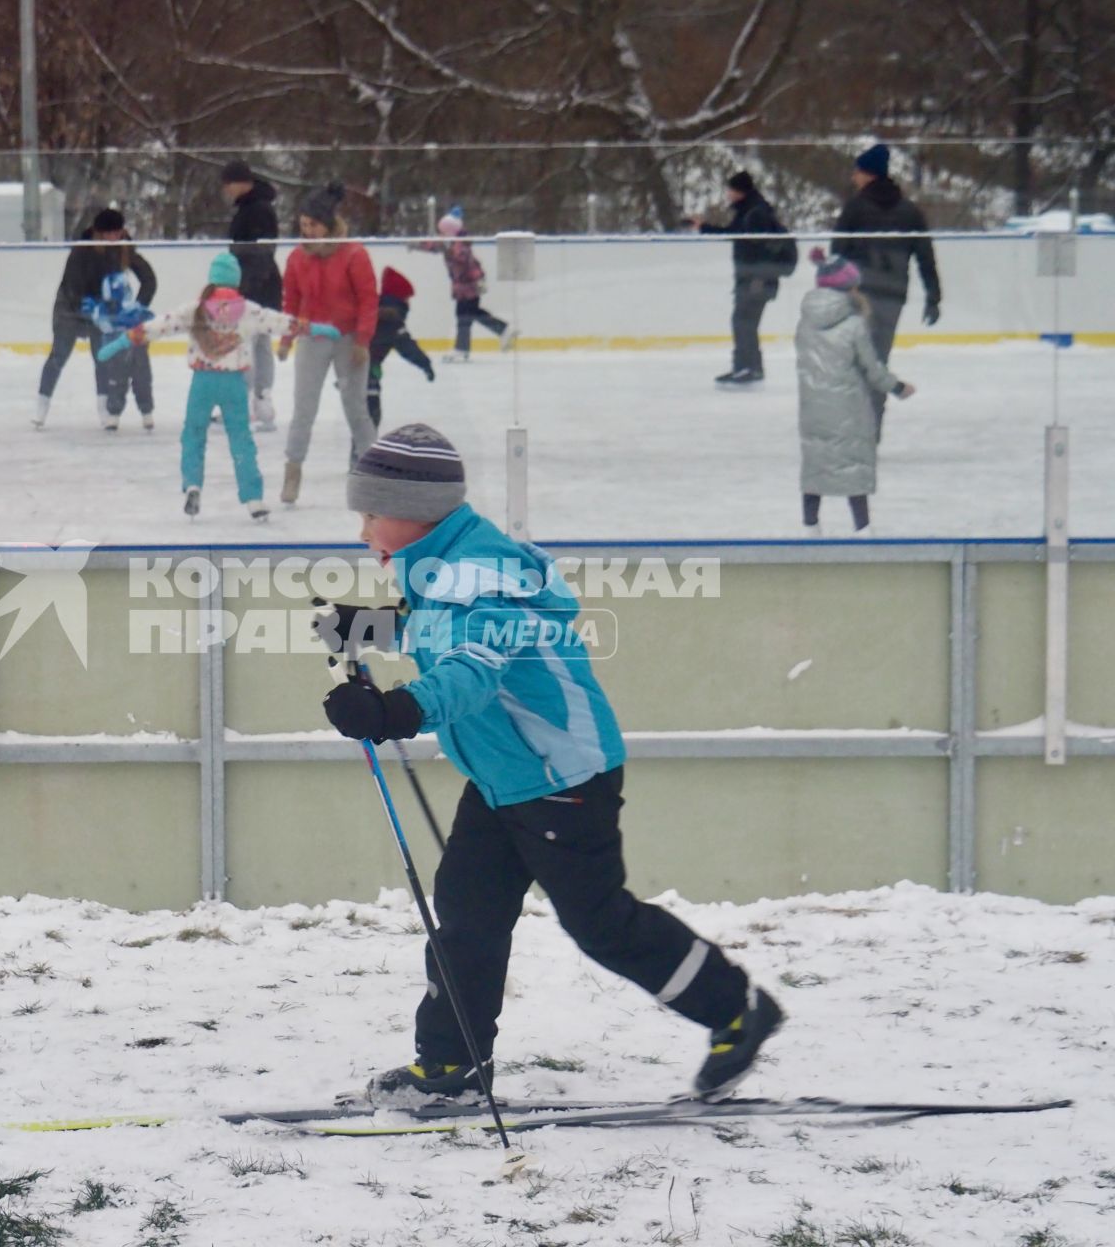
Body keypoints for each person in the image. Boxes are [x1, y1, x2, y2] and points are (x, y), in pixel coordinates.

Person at [317, 423, 784, 1102]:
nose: (361, 531)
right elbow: (445, 628)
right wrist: (373, 627)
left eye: (370, 513)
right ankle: (452, 1067)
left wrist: (395, 713)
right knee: (467, 915)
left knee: (601, 925)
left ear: (413, 512)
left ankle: (737, 1011)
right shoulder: (446, 562)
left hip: (559, 777)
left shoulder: (477, 575)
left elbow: (472, 667)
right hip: (504, 777)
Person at [103, 253, 336, 521]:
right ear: (236, 281)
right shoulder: (249, 309)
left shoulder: (194, 309)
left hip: (202, 382)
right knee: (241, 441)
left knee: (193, 435)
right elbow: (283, 322)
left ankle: (192, 484)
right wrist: (319, 328)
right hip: (234, 384)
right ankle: (254, 499)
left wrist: (121, 342)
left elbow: (158, 326)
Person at [796, 250, 916, 535]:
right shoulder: (854, 324)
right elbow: (872, 370)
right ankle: (862, 528)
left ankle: (810, 526)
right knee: (852, 466)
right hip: (848, 407)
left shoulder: (805, 323)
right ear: (849, 288)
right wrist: (898, 387)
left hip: (813, 407)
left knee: (816, 463)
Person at [278, 182, 379, 505]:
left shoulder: (353, 254)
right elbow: (290, 300)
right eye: (303, 224)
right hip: (312, 339)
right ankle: (292, 471)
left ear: (329, 224)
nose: (307, 230)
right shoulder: (296, 257)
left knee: (355, 408)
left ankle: (376, 475)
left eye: (313, 224)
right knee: (303, 409)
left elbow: (367, 300)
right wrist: (286, 336)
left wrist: (363, 340)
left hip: (349, 340)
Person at [831, 143, 941, 401]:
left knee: (856, 360)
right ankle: (872, 423)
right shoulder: (909, 211)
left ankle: (856, 424)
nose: (853, 177)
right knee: (877, 358)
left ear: (869, 173)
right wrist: (933, 297)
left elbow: (837, 253)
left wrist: (835, 291)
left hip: (859, 296)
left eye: (857, 171)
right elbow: (926, 258)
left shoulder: (855, 208)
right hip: (893, 295)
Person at [33, 209, 157, 430]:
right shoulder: (82, 250)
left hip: (103, 309)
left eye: (116, 233)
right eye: (107, 234)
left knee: (103, 358)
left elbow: (149, 279)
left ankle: (104, 408)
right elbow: (73, 285)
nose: (112, 238)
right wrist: (91, 307)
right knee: (59, 354)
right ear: (97, 233)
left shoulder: (124, 249)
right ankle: (42, 405)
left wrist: (135, 307)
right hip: (70, 308)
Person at [690, 172, 796, 385]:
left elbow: (762, 249)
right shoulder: (751, 210)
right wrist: (703, 228)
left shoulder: (755, 213)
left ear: (740, 191)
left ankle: (747, 368)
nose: (728, 194)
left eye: (730, 190)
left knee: (743, 321)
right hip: (753, 278)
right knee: (745, 322)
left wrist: (758, 279)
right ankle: (749, 368)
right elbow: (735, 233)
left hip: (756, 280)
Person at [220, 161, 284, 431]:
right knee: (257, 342)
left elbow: (261, 251)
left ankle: (251, 401)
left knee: (249, 342)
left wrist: (245, 286)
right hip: (258, 284)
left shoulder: (257, 209)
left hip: (257, 285)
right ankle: (260, 400)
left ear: (241, 182)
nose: (226, 190)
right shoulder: (252, 207)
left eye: (228, 183)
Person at [412, 206, 517, 362]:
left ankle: (465, 348)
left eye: (442, 232)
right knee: (470, 314)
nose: (440, 235)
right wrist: (417, 245)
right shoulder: (450, 243)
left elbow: (462, 259)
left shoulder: (459, 245)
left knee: (464, 316)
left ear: (449, 233)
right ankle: (500, 330)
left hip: (470, 286)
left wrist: (448, 250)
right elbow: (434, 246)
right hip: (465, 286)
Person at [83, 226, 158, 432]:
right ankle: (114, 414)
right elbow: (100, 322)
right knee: (116, 381)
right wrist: (93, 309)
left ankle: (146, 412)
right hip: (115, 350)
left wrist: (140, 313)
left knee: (142, 380)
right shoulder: (104, 310)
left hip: (136, 348)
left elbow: (151, 321)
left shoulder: (133, 309)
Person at [365, 265, 435, 433]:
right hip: (365, 367)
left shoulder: (374, 309)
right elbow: (407, 347)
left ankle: (361, 449)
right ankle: (363, 450)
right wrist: (425, 364)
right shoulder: (392, 320)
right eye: (407, 298)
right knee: (370, 408)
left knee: (363, 408)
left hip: (359, 365)